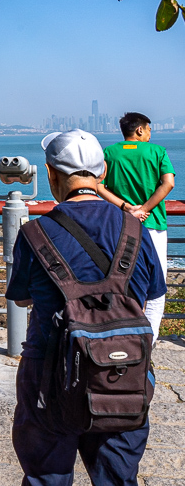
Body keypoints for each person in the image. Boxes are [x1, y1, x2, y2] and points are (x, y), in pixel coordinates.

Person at [6, 129, 166, 486]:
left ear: (51, 174)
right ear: (103, 172)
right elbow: (150, 294)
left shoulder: (34, 234)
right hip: (122, 376)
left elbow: (23, 298)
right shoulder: (136, 231)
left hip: (49, 378)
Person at [97, 112, 175, 343]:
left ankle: (121, 336)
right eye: (149, 129)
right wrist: (145, 208)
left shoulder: (109, 153)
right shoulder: (157, 152)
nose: (151, 134)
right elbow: (168, 183)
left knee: (121, 279)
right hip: (153, 224)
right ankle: (146, 342)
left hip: (120, 225)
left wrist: (127, 208)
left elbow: (98, 186)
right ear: (140, 130)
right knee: (156, 287)